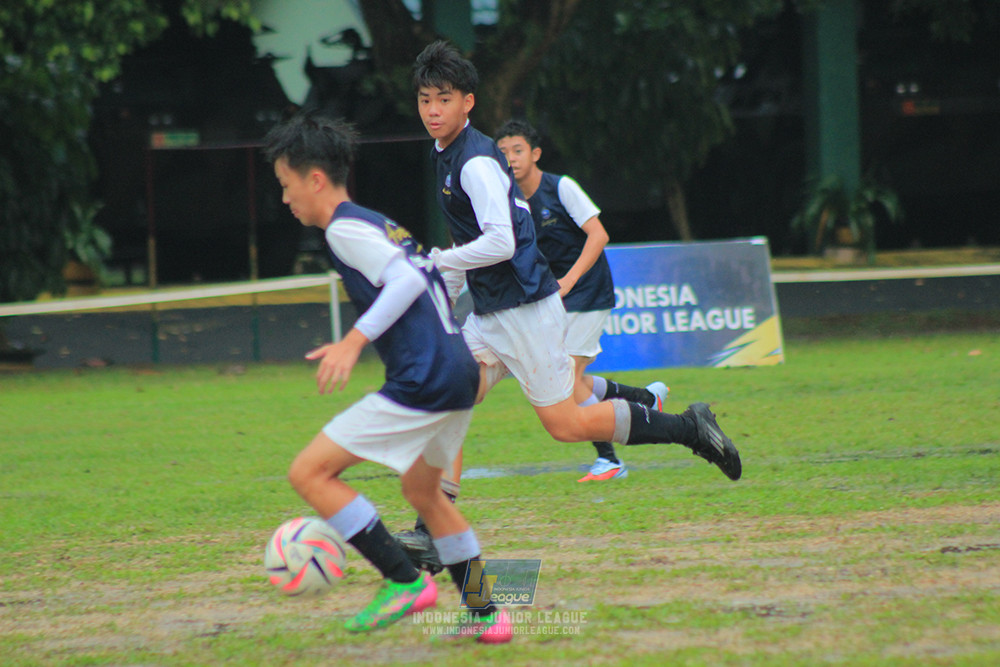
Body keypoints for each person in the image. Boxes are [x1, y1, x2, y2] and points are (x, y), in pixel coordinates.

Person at [397, 40, 742, 573]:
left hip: (526, 313)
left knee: (565, 424)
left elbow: (502, 241)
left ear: (468, 101)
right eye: (424, 100)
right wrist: (451, 285)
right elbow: (477, 245)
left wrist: (441, 261)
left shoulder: (474, 164)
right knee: (448, 399)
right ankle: (433, 533)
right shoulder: (447, 155)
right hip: (492, 316)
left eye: (443, 98)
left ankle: (689, 428)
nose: (432, 110)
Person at [262, 113, 512, 644]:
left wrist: (354, 341)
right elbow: (428, 278)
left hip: (424, 379)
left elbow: (402, 281)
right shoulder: (375, 222)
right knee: (424, 492)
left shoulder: (345, 228)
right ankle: (488, 612)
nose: (285, 199)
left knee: (309, 473)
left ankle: (402, 580)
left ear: (314, 179)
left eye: (286, 185)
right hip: (458, 372)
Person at [495, 118, 669, 482]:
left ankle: (610, 459)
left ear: (535, 153)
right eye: (503, 152)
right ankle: (646, 400)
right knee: (576, 380)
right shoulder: (506, 201)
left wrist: (570, 279)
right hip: (553, 299)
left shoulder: (561, 188)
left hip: (588, 291)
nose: (510, 158)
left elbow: (598, 235)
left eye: (517, 150)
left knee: (566, 380)